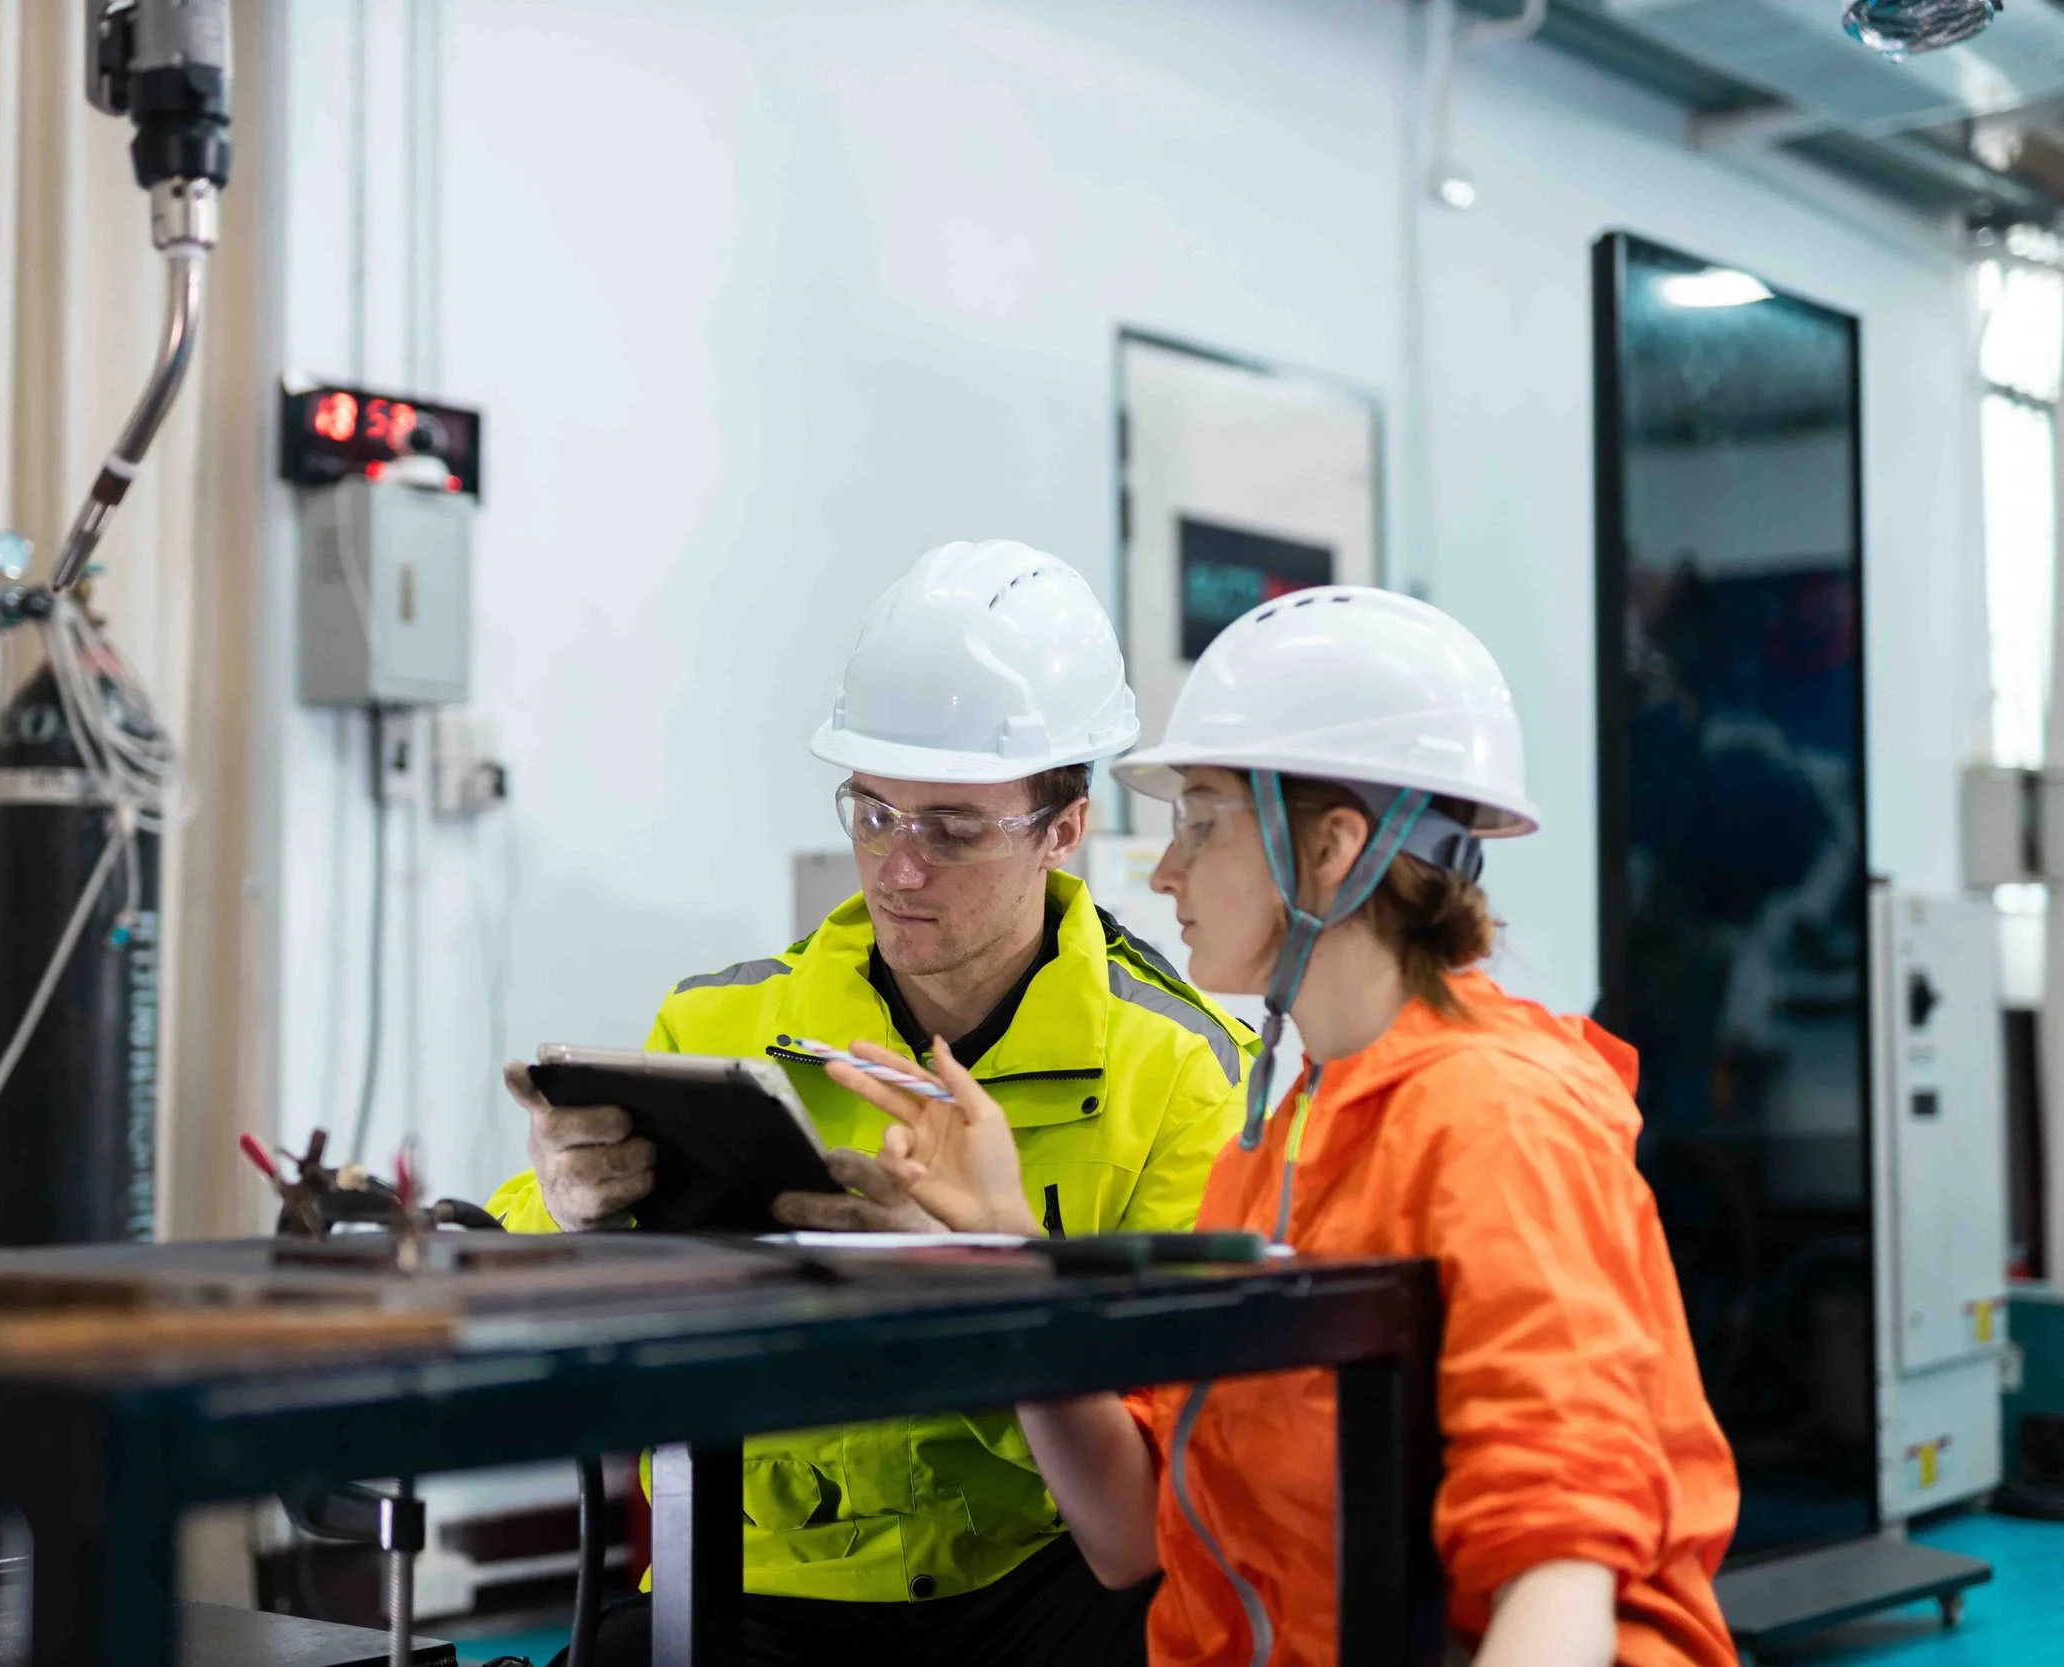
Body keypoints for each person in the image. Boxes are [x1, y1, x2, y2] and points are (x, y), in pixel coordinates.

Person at [820, 586, 1740, 1667]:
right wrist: (1013, 1255)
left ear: (1334, 847)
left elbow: (1558, 1567)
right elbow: (1128, 1534)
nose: (1163, 872)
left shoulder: (1496, 1117)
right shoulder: (1285, 1137)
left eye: (1201, 822)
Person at [489, 540, 1257, 1667]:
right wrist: (558, 1214)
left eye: (951, 827)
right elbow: (511, 1276)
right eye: (873, 813)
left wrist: (982, 1284)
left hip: (1040, 1578)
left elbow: (1169, 1474)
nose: (897, 867)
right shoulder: (717, 1029)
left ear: (1063, 827)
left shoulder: (1184, 1070)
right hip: (752, 1579)